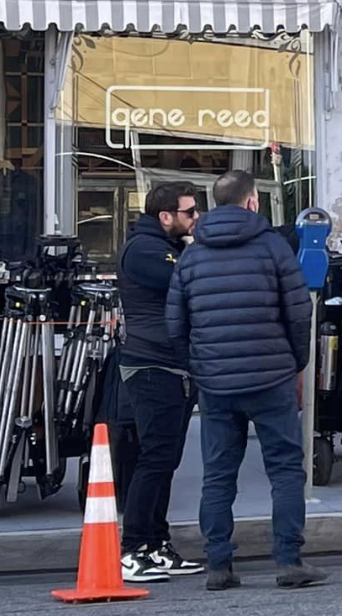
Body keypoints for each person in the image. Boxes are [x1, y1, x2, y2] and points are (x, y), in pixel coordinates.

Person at [166, 171, 325, 591]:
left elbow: (175, 323)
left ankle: (219, 565)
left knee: (218, 476)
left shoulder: (192, 256)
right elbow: (298, 313)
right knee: (287, 470)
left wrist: (199, 365)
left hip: (216, 383)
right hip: (271, 377)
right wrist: (296, 362)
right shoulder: (273, 247)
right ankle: (289, 561)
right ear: (253, 201)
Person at [116, 182, 205, 583]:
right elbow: (188, 282)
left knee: (165, 460)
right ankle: (133, 548)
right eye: (189, 212)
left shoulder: (171, 248)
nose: (196, 218)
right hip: (153, 366)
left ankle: (156, 543)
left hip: (174, 366)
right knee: (153, 459)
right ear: (165, 216)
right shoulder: (144, 251)